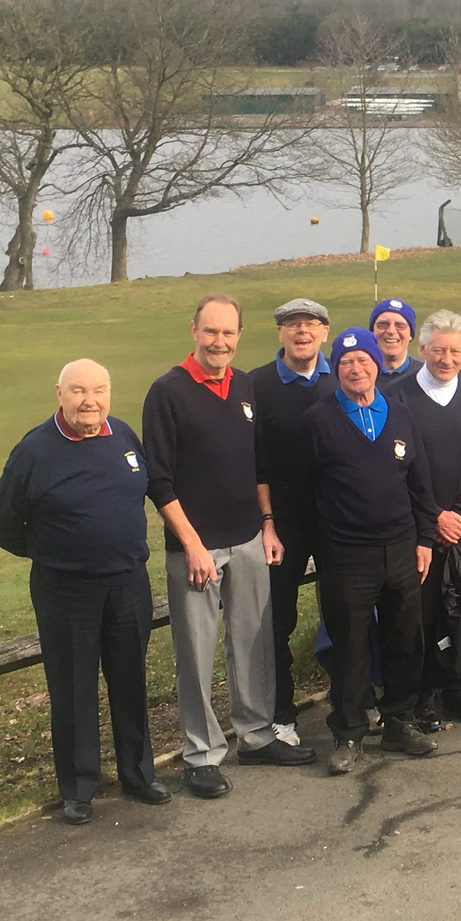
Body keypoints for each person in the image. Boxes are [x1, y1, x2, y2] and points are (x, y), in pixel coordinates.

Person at [0, 360, 168, 825]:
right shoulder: (34, 450)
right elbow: (0, 525)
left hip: (128, 582)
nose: (90, 401)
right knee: (73, 688)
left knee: (130, 681)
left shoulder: (123, 435)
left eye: (99, 390)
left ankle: (137, 775)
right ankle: (79, 786)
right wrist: (54, 552)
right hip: (66, 591)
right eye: (79, 391)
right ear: (59, 394)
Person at [142, 294, 290, 801]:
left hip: (247, 538)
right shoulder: (167, 392)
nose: (219, 342)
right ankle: (201, 755)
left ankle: (256, 736)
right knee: (196, 654)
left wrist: (267, 524)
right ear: (194, 330)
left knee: (252, 643)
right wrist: (192, 544)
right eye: (210, 332)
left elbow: (259, 464)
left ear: (239, 336)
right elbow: (158, 480)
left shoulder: (244, 386)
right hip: (195, 551)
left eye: (228, 333)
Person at [292, 328, 440, 769]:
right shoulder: (317, 421)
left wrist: (425, 539)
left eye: (363, 361)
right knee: (350, 646)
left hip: (401, 548)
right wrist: (321, 548)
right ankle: (349, 733)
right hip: (346, 554)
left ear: (376, 364)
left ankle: (399, 722)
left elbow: (420, 484)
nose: (356, 369)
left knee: (404, 639)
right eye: (346, 362)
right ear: (335, 369)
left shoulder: (400, 414)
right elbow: (302, 492)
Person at [400, 310, 461, 728]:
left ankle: (459, 690)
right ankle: (419, 698)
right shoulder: (398, 396)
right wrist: (434, 517)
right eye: (438, 350)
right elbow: (398, 468)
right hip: (418, 532)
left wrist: (459, 514)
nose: (446, 359)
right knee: (421, 615)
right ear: (422, 349)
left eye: (456, 352)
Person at [248, 298, 335, 754]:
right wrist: (267, 522)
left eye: (311, 324)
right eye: (293, 325)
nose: (302, 332)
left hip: (337, 519)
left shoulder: (342, 376)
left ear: (325, 333)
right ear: (280, 333)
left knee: (347, 613)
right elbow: (255, 462)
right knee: (277, 620)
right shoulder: (256, 385)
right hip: (281, 524)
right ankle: (280, 715)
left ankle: (352, 702)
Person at [368, 297, 420, 390]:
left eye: (400, 325)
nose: (391, 331)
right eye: (383, 324)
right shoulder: (359, 376)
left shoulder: (425, 375)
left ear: (411, 334)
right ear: (372, 332)